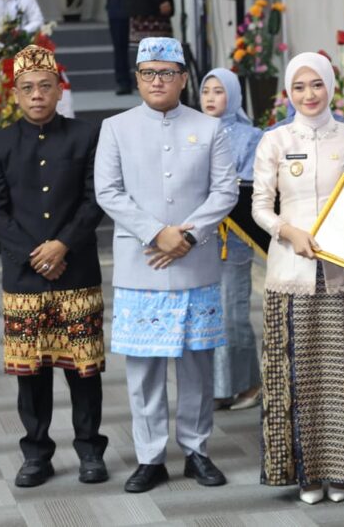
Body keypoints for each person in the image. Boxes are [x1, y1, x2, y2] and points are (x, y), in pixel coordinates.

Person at [94, 37, 237, 493]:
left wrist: (188, 235)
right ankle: (150, 457)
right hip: (143, 264)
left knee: (197, 366)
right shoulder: (115, 128)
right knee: (144, 371)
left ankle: (196, 451)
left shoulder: (210, 128)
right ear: (137, 78)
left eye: (167, 73)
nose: (158, 81)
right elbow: (108, 191)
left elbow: (226, 190)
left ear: (183, 78)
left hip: (196, 264)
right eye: (149, 73)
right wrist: (158, 233)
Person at [252, 52, 344, 504]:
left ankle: (343, 472)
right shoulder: (274, 141)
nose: (309, 94)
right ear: (288, 92)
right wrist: (287, 231)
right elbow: (260, 206)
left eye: (316, 84)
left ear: (330, 87)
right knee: (298, 377)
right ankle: (307, 475)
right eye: (299, 86)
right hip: (290, 274)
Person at [0, 44, 107, 487]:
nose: (37, 95)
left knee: (83, 370)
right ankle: (36, 455)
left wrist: (62, 246)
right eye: (28, 88)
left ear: (59, 91)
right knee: (30, 373)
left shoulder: (86, 135)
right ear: (16, 94)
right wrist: (37, 255)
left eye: (45, 86)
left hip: (77, 270)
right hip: (24, 277)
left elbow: (95, 200)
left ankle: (90, 451)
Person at [199, 67, 263, 411]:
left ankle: (249, 384)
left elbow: (250, 184)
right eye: (206, 91)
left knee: (232, 313)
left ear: (234, 95)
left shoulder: (250, 137)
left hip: (232, 239)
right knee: (207, 314)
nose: (210, 98)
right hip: (197, 241)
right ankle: (219, 387)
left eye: (218, 91)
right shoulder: (191, 132)